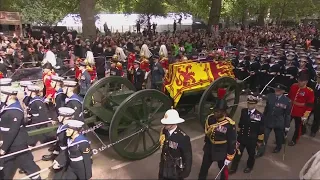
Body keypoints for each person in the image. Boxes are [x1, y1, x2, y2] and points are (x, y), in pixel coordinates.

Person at [0, 86, 41, 179]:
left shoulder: (16, 111)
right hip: (10, 143)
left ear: (9, 96)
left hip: (17, 144)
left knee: (29, 166)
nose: (1, 96)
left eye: (3, 94)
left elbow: (12, 131)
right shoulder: (8, 107)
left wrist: (4, 148)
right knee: (6, 166)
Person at [198, 88, 237, 180]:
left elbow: (232, 141)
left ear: (223, 112)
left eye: (218, 111)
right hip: (209, 148)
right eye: (215, 111)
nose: (215, 113)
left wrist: (229, 156)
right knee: (204, 168)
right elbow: (207, 134)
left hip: (221, 150)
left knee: (223, 170)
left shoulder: (229, 124)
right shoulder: (210, 119)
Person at [229, 94, 264, 174]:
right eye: (248, 103)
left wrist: (259, 141)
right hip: (241, 137)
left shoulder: (259, 115)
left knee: (251, 154)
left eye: (251, 104)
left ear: (255, 104)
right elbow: (241, 123)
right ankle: (233, 168)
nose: (249, 105)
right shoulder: (243, 111)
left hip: (252, 139)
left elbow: (261, 129)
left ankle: (249, 166)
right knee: (237, 153)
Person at [257, 83, 291, 156]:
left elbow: (287, 115)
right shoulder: (270, 96)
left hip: (279, 122)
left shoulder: (287, 101)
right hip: (268, 120)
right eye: (276, 89)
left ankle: (278, 147)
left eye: (279, 90)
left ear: (283, 91)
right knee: (264, 137)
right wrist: (262, 118)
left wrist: (287, 126)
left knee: (278, 137)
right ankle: (261, 151)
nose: (277, 91)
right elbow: (266, 109)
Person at [158, 108, 192, 180]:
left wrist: (186, 171)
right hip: (164, 166)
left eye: (167, 123)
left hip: (175, 169)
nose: (164, 124)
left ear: (174, 122)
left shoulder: (182, 137)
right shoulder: (164, 130)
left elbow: (187, 156)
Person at [288, 73, 314, 146]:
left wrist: (305, 116)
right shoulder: (293, 86)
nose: (299, 82)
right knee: (285, 124)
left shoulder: (309, 91)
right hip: (290, 109)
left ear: (306, 82)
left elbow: (310, 105)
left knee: (298, 127)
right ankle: (282, 137)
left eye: (301, 81)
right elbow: (289, 97)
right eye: (299, 80)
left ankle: (294, 140)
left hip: (300, 112)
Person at [311, 72, 320, 137]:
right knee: (305, 115)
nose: (318, 79)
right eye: (318, 77)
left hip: (318, 104)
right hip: (310, 103)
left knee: (316, 118)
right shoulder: (313, 84)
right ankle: (303, 129)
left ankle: (313, 131)